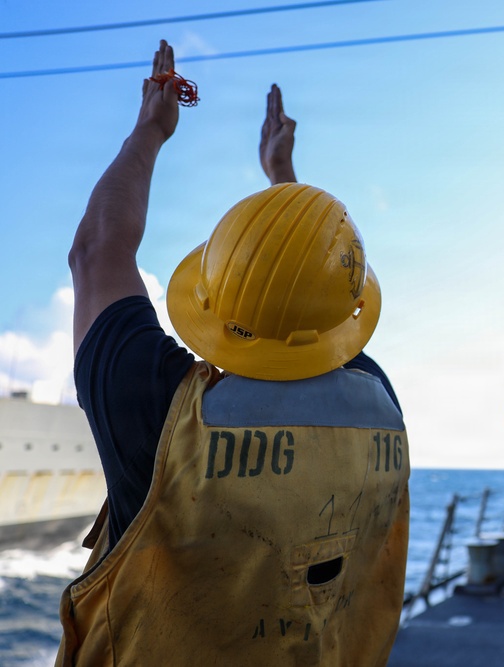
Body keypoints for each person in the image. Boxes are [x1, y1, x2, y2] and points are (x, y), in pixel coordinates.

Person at [58, 40, 410, 666]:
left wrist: (150, 129)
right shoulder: (377, 403)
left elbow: (97, 251)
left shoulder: (161, 409)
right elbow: (316, 300)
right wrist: (286, 186)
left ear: (214, 307)